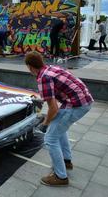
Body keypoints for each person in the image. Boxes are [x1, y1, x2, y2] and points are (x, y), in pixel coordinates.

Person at [25, 51, 93, 186]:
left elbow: (54, 109)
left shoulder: (42, 77)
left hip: (76, 105)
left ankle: (61, 177)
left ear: (30, 67)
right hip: (84, 101)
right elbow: (54, 93)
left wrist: (45, 123)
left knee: (50, 138)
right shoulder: (51, 68)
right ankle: (66, 162)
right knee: (59, 130)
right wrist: (40, 99)